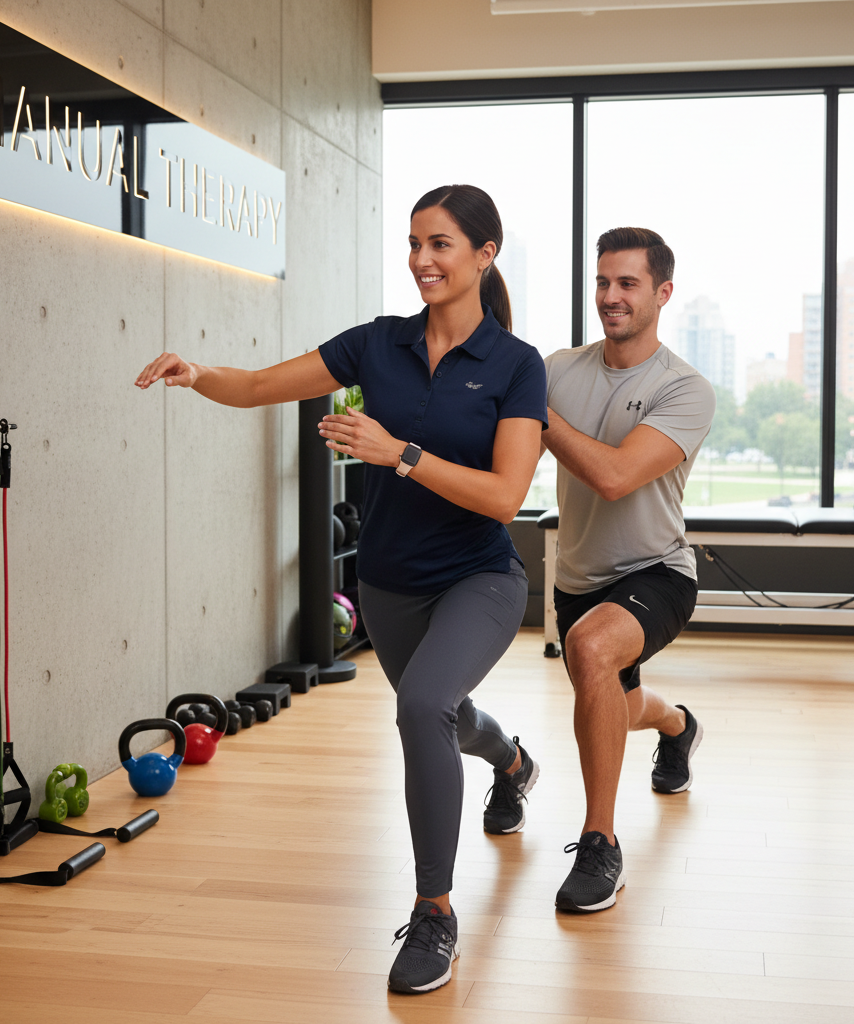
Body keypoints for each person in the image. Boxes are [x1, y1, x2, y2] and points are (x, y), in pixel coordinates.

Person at [134, 184, 548, 993]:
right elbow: (258, 385)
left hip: (480, 578)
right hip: (389, 583)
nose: (421, 260)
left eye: (440, 245)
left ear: (484, 255)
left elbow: (506, 495)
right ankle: (511, 760)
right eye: (414, 242)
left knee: (421, 706)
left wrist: (399, 453)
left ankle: (435, 914)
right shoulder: (378, 344)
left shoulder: (514, 365)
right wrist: (200, 372)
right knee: (443, 711)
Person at [541, 227, 715, 913]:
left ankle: (599, 843)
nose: (610, 297)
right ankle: (677, 727)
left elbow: (614, 476)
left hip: (658, 570)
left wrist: (533, 414)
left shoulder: (685, 389)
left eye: (628, 284)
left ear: (662, 292)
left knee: (591, 650)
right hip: (577, 576)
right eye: (602, 282)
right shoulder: (558, 370)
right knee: (613, 693)